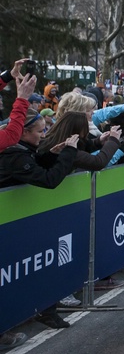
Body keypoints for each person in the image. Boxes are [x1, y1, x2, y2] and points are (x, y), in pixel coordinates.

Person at [0, 108, 79, 329]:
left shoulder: (21, 149)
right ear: (23, 133)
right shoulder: (13, 154)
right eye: (40, 131)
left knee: (36, 267)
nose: (43, 136)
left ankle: (45, 310)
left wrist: (52, 154)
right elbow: (49, 180)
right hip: (10, 223)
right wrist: (69, 153)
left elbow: (34, 165)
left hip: (23, 220)